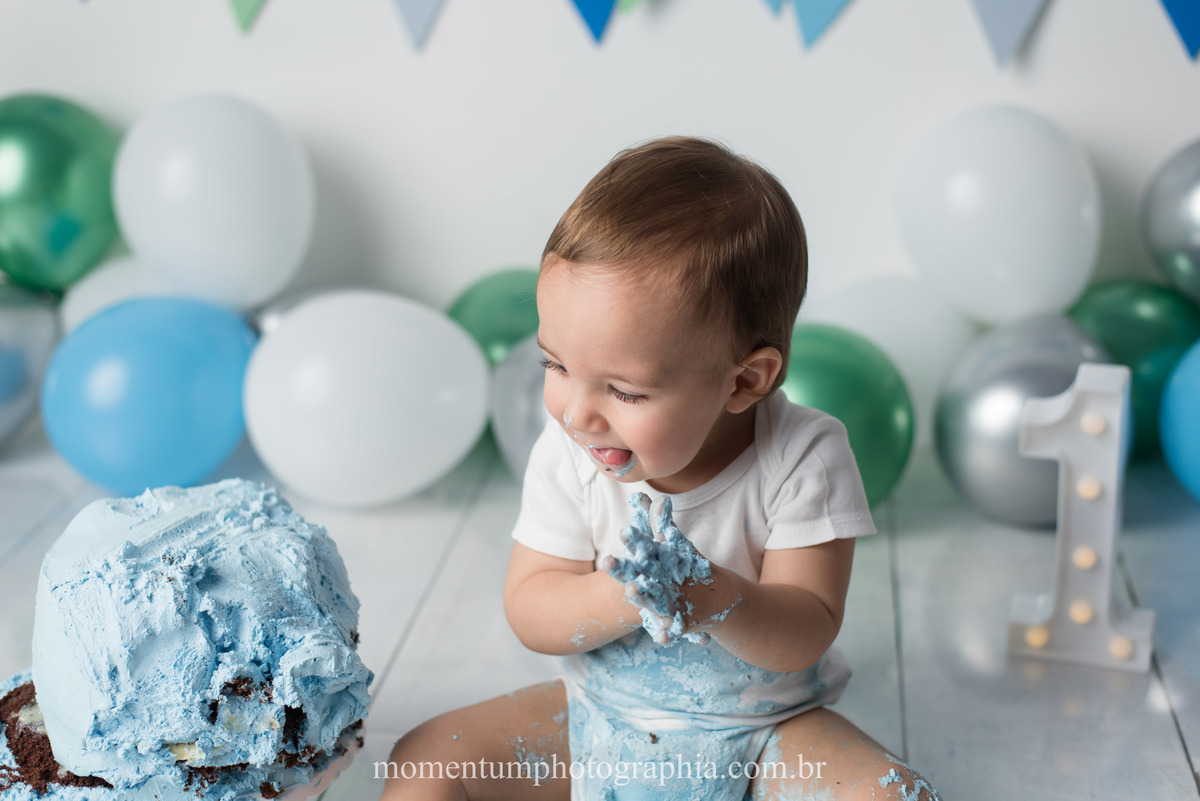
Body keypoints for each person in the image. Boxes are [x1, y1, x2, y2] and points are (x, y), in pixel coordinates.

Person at [383, 136, 939, 800]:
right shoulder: (571, 451)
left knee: (890, 792)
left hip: (765, 730)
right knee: (424, 759)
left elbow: (805, 627)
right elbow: (532, 607)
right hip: (598, 715)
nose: (578, 412)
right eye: (557, 365)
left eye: (625, 390)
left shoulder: (802, 455)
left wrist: (714, 595)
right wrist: (625, 594)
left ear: (744, 381)